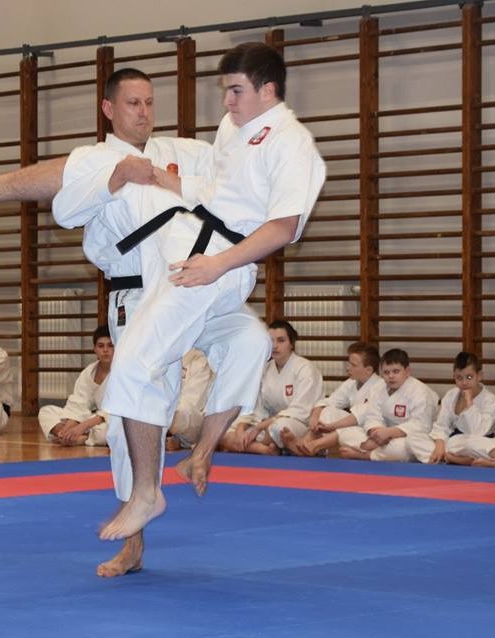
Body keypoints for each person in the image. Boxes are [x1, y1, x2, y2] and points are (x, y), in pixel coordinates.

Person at [95, 42, 325, 541]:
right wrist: (163, 180)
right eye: (225, 91)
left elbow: (283, 227)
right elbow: (214, 193)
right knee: (250, 343)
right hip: (199, 244)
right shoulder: (234, 128)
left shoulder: (292, 144)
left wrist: (216, 265)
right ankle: (202, 453)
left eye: (236, 91)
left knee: (132, 363)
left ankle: (145, 494)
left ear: (268, 90)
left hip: (219, 259)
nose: (227, 101)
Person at [221, 320, 323, 455]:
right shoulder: (265, 369)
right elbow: (256, 408)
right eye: (270, 341)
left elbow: (300, 411)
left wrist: (259, 427)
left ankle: (253, 446)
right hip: (265, 423)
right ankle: (265, 449)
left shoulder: (306, 369)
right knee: (225, 430)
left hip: (298, 423)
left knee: (279, 428)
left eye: (281, 341)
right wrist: (241, 428)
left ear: (291, 343)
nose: (274, 346)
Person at [337, 348, 439, 462]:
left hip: (408, 438)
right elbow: (372, 415)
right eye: (386, 372)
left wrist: (390, 433)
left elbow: (422, 425)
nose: (391, 376)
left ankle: (365, 455)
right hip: (381, 436)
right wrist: (376, 433)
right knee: (346, 434)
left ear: (407, 371)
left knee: (401, 447)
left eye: (396, 371)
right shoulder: (378, 387)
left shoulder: (420, 392)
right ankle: (378, 452)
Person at [286, 341, 382, 457]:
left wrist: (330, 426)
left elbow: (357, 418)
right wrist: (315, 417)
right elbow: (328, 402)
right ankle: (306, 443)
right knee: (327, 411)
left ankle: (311, 446)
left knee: (346, 429)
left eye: (353, 365)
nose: (348, 368)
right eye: (348, 363)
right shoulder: (352, 383)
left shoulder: (379, 387)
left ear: (369, 370)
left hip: (371, 436)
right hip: (354, 429)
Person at [405, 352, 495, 465]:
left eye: (469, 377)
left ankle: (445, 458)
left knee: (469, 443)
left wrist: (469, 404)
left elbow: (478, 431)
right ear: (454, 377)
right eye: (459, 378)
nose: (464, 382)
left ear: (479, 375)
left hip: (475, 443)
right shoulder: (451, 395)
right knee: (412, 439)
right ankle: (450, 458)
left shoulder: (489, 399)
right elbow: (441, 425)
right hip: (452, 444)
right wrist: (440, 445)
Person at [37, 325, 114, 447]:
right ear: (94, 349)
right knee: (46, 412)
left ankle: (83, 438)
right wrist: (67, 429)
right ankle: (65, 435)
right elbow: (78, 404)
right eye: (101, 346)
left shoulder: (121, 372)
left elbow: (113, 410)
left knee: (107, 432)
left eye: (110, 345)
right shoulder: (89, 372)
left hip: (108, 419)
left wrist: (83, 426)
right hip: (89, 418)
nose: (105, 350)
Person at [166, 349, 214, 451]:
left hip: (182, 423)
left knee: (185, 411)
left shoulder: (199, 359)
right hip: (153, 416)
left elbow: (190, 406)